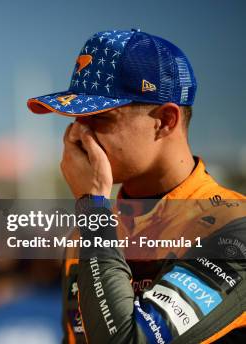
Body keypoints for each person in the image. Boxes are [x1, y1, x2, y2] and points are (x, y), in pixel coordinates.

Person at [27, 29, 246, 343]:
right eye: (76, 118)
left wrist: (93, 212)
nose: (78, 136)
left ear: (165, 120)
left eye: (98, 118)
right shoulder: (86, 233)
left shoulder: (233, 228)